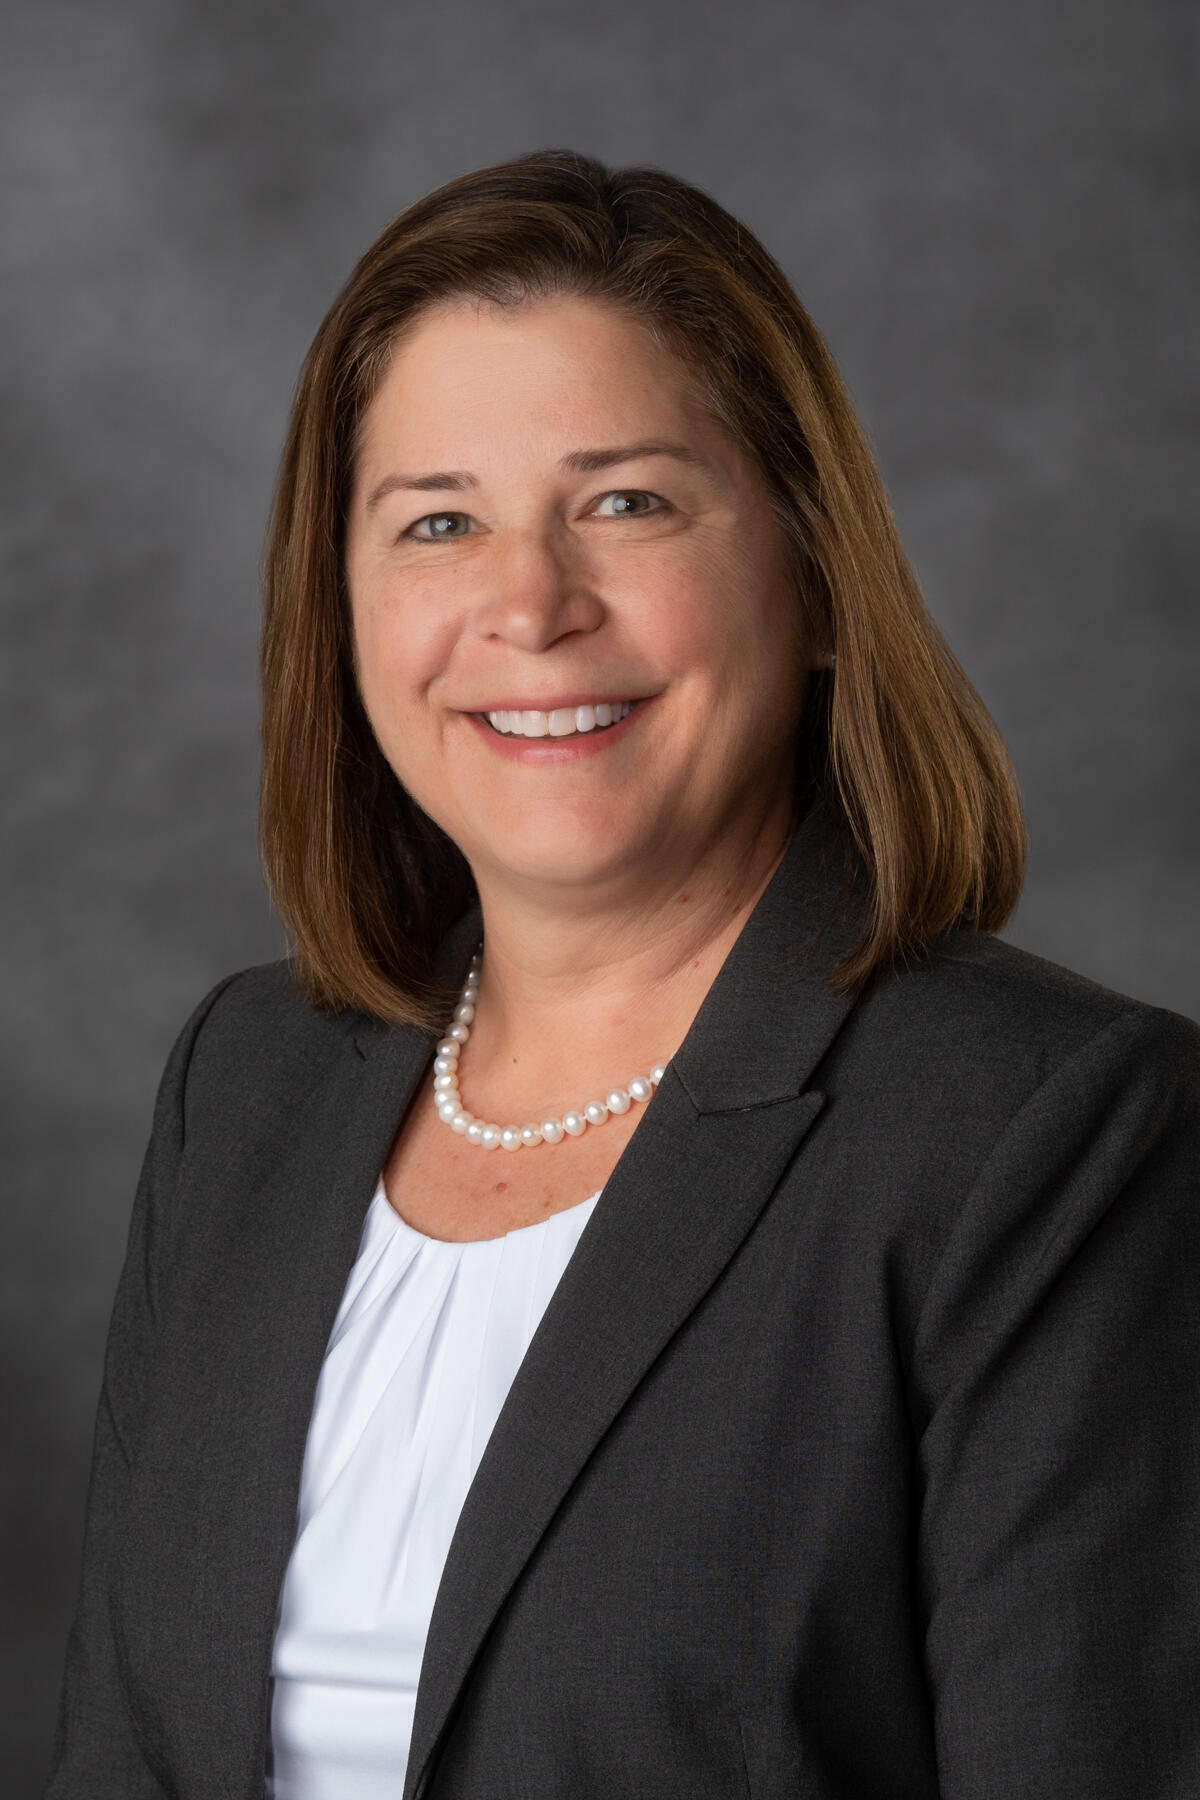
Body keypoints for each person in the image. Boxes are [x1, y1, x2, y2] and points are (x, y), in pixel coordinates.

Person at [46, 149, 1199, 1800]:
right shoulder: (244, 1085)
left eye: (628, 502)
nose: (529, 603)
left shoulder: (1045, 1135)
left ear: (811, 575)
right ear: (345, 607)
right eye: (438, 521)